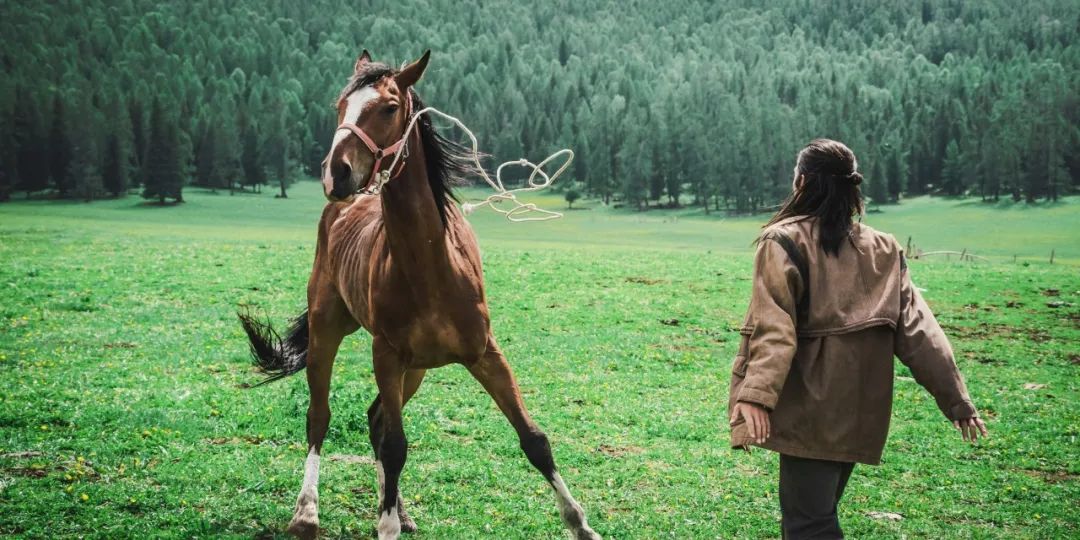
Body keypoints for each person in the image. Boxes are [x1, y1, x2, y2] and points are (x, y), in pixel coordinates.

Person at [727, 139, 988, 539]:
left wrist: (754, 395)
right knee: (818, 513)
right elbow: (920, 331)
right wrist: (956, 399)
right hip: (863, 408)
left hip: (813, 408)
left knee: (808, 523)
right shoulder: (884, 247)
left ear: (801, 182)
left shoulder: (781, 241)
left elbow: (774, 331)